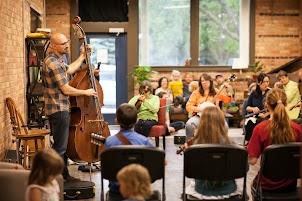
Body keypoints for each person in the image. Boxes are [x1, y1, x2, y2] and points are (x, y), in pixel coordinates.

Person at [42, 33, 97, 181]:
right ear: (53, 46)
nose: (67, 45)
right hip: (58, 109)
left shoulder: (57, 60)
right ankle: (54, 179)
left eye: (67, 42)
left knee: (62, 146)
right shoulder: (52, 62)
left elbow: (69, 69)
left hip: (60, 108)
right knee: (60, 147)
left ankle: (63, 175)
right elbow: (66, 89)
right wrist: (85, 91)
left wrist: (82, 55)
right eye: (63, 44)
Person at [248, 88, 302, 194]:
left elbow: (252, 161)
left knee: (251, 185)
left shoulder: (260, 129)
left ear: (267, 105)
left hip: (266, 187)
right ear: (286, 104)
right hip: (290, 186)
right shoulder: (297, 129)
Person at [185, 106, 238, 199]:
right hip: (229, 190)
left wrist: (188, 153)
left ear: (202, 123)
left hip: (202, 190)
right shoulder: (232, 145)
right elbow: (244, 168)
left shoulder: (195, 147)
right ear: (222, 122)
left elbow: (190, 171)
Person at [104, 103, 154, 198]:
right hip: (140, 191)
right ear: (136, 121)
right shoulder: (145, 141)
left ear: (116, 121)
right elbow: (160, 162)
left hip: (116, 191)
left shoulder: (109, 142)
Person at [185, 73, 217, 138]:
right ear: (200, 83)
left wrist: (228, 89)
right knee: (189, 125)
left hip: (213, 117)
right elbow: (188, 106)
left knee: (225, 126)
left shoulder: (216, 92)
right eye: (202, 81)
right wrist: (201, 109)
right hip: (199, 116)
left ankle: (219, 145)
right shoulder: (196, 93)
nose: (204, 82)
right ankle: (190, 143)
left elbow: (227, 100)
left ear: (210, 82)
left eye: (206, 80)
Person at [244, 73, 270, 143]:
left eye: (267, 82)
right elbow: (247, 107)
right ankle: (249, 143)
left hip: (268, 116)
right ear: (259, 83)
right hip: (255, 116)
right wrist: (253, 109)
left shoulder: (270, 92)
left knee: (261, 123)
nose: (266, 84)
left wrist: (265, 115)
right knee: (250, 123)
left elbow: (275, 108)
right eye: (264, 82)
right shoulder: (254, 93)